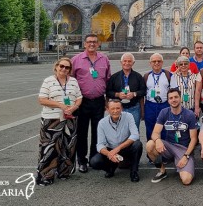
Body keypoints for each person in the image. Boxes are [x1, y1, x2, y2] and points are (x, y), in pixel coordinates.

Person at [37, 57, 82, 186]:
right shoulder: (48, 81)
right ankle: (46, 175)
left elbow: (79, 97)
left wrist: (74, 107)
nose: (63, 69)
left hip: (70, 118)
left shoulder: (73, 81)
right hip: (52, 118)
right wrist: (60, 105)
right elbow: (42, 100)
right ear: (56, 66)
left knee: (69, 145)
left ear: (70, 70)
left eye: (67, 67)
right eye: (61, 66)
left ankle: (64, 171)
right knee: (49, 147)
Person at [71, 34, 111, 173]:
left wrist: (107, 100)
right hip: (82, 101)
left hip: (99, 101)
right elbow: (71, 81)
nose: (92, 44)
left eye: (94, 42)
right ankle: (81, 160)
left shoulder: (104, 59)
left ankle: (95, 158)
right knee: (81, 132)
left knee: (97, 131)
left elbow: (107, 80)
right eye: (89, 42)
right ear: (84, 44)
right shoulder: (76, 60)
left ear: (98, 44)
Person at [146, 88, 198, 185]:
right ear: (168, 100)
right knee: (150, 144)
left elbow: (194, 139)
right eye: (171, 98)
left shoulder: (189, 114)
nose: (173, 100)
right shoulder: (164, 112)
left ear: (180, 98)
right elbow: (155, 132)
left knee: (186, 180)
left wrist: (186, 156)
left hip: (183, 149)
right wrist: (157, 140)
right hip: (168, 146)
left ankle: (181, 162)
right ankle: (162, 171)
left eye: (176, 97)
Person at [90, 99, 143, 182]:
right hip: (110, 150)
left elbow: (135, 135)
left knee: (137, 144)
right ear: (107, 110)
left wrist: (118, 148)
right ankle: (110, 169)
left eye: (118, 108)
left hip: (124, 148)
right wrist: (109, 154)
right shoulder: (102, 123)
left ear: (121, 108)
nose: (115, 111)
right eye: (112, 109)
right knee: (94, 162)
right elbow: (100, 145)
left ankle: (134, 172)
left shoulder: (128, 116)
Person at [106, 53, 146, 132]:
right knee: (118, 131)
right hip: (118, 109)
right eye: (125, 61)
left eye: (129, 61)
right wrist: (117, 94)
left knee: (134, 131)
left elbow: (143, 91)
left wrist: (134, 94)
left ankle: (134, 145)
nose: (127, 63)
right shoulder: (114, 77)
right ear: (121, 62)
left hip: (134, 108)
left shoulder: (138, 77)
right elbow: (108, 92)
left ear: (133, 63)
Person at [144, 53, 178, 141]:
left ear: (162, 62)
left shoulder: (169, 75)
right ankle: (151, 151)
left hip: (164, 105)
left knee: (165, 128)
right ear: (150, 63)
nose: (156, 63)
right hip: (150, 105)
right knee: (150, 128)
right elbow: (143, 92)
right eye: (154, 61)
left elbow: (175, 92)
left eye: (159, 61)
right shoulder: (146, 76)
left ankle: (164, 151)